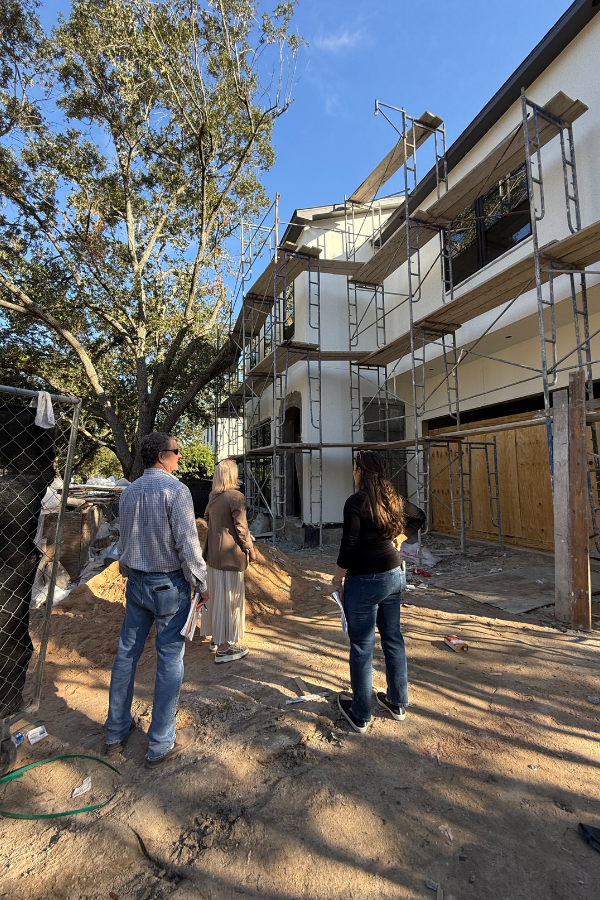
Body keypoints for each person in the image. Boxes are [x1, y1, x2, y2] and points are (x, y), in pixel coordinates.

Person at [104, 432, 209, 768]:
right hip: (168, 587)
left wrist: (129, 569)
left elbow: (123, 541)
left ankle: (114, 732)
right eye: (177, 452)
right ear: (163, 455)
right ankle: (160, 743)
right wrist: (202, 584)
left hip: (136, 584)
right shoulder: (176, 491)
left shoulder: (129, 492)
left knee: (126, 656)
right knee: (169, 660)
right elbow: (187, 544)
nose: (180, 457)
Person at [331, 450, 426, 734]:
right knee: (393, 638)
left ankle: (361, 714)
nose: (352, 470)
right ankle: (397, 702)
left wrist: (336, 581)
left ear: (361, 470)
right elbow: (419, 516)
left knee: (362, 646)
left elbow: (348, 546)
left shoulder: (356, 502)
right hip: (394, 575)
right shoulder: (391, 498)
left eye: (354, 466)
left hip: (365, 580)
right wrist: (399, 538)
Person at [200, 459, 256, 663]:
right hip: (231, 558)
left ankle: (216, 638)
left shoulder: (213, 496)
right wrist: (250, 549)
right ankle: (224, 649)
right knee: (229, 600)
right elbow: (242, 528)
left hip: (213, 556)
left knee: (216, 599)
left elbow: (206, 516)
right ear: (233, 475)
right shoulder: (236, 497)